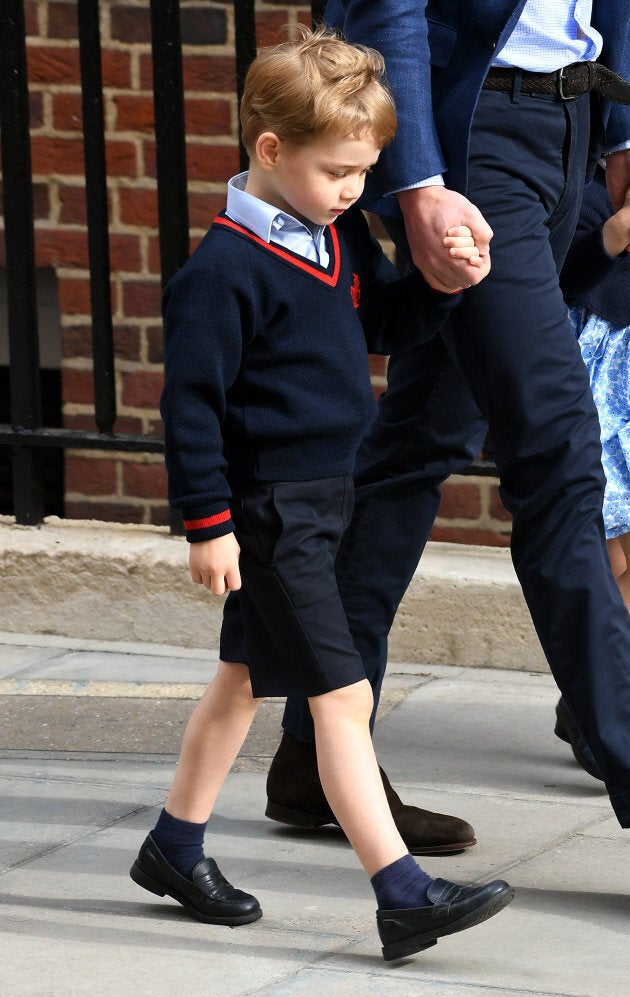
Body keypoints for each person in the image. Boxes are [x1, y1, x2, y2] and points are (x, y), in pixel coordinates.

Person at [129, 27, 514, 961]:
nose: (353, 189)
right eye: (338, 170)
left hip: (318, 499)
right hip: (269, 513)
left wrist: (448, 283)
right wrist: (208, 526)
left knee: (242, 680)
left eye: (364, 171)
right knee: (342, 700)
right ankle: (401, 891)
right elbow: (191, 412)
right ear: (269, 151)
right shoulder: (220, 273)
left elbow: (382, 319)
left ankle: (174, 847)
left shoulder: (331, 232)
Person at [267, 0, 630, 837]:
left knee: (418, 442)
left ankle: (317, 751)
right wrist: (421, 183)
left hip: (569, 126)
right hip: (474, 132)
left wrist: (620, 136)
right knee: (559, 458)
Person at [554, 164, 630, 776]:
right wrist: (613, 234)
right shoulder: (587, 196)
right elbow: (562, 278)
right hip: (597, 377)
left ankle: (596, 696)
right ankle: (591, 707)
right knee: (605, 554)